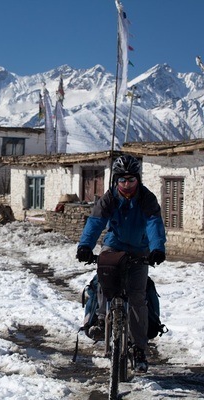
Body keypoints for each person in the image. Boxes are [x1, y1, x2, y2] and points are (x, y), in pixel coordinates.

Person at [76, 154, 166, 373]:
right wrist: (85, 246)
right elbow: (96, 222)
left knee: (137, 297)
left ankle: (139, 350)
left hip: (140, 249)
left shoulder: (147, 199)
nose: (127, 184)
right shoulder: (109, 198)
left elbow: (154, 224)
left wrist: (157, 249)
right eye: (122, 180)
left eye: (131, 179)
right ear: (116, 180)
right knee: (104, 279)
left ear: (138, 180)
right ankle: (99, 319)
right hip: (114, 245)